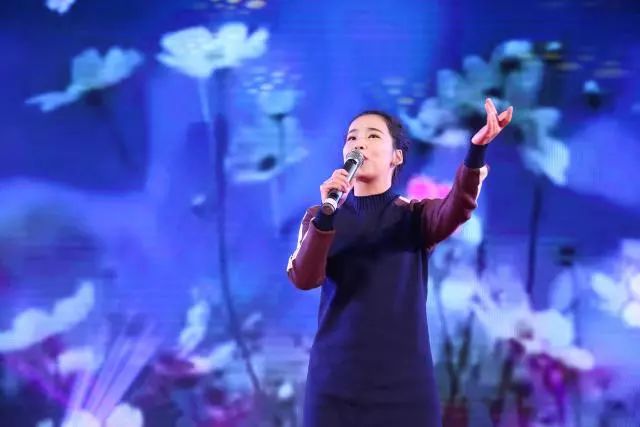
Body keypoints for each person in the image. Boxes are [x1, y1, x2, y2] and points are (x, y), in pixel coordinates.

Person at [287, 99, 513, 427]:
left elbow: (456, 208)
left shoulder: (414, 216)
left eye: (373, 136)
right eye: (352, 137)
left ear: (397, 156)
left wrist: (476, 150)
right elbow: (304, 277)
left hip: (405, 388)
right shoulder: (319, 217)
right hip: (334, 387)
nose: (359, 143)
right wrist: (326, 215)